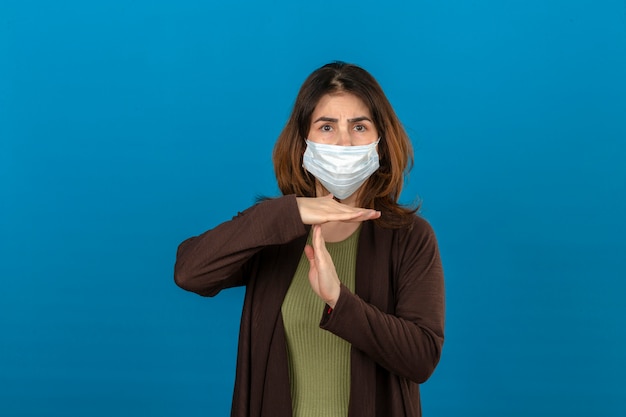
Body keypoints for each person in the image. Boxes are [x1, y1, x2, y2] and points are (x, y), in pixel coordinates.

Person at [174, 62, 445, 417]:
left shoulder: (410, 238)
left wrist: (338, 299)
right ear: (304, 141)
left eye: (359, 126)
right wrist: (289, 213)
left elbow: (421, 358)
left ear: (380, 142)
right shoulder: (275, 233)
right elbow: (190, 272)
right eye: (327, 126)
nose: (344, 142)